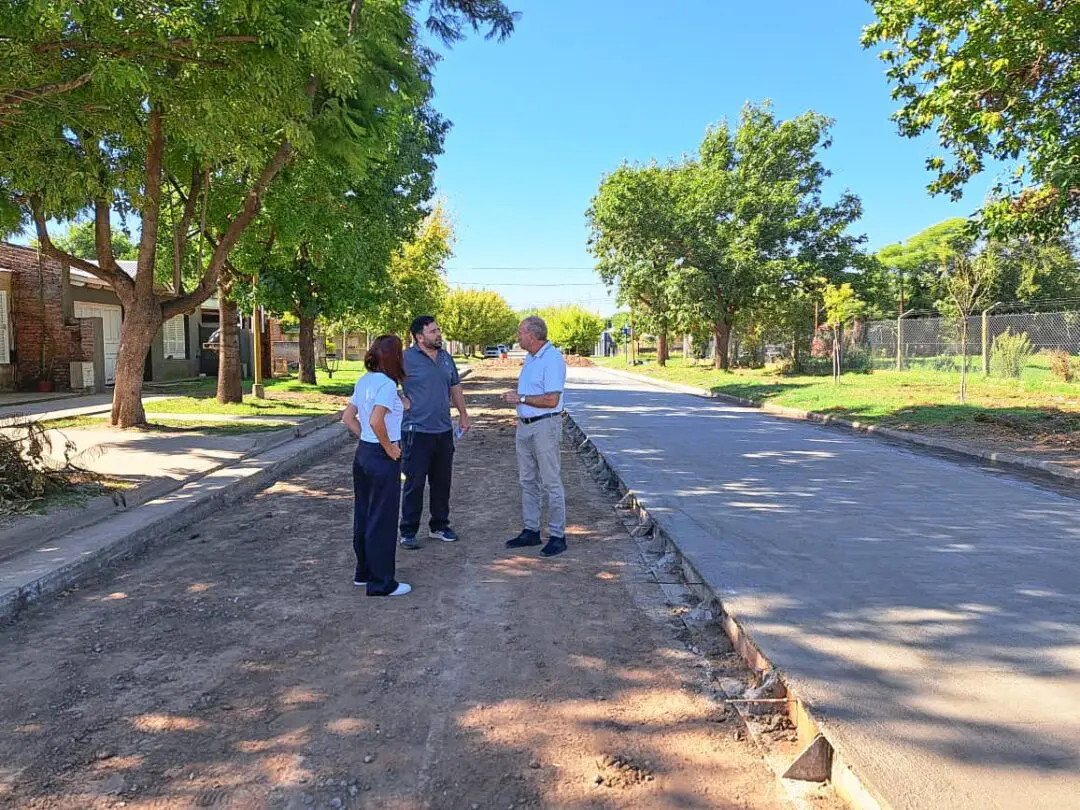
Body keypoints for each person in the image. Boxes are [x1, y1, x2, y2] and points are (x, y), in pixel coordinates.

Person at [343, 335, 411, 597]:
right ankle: (382, 582)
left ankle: (364, 572)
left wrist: (368, 441)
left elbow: (348, 417)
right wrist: (387, 447)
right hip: (382, 456)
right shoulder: (385, 384)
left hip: (364, 454)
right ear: (394, 357)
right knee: (382, 519)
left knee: (364, 513)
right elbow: (375, 420)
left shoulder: (365, 381)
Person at [398, 315, 471, 550]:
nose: (438, 334)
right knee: (415, 482)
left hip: (443, 430)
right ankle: (408, 531)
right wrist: (399, 399)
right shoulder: (405, 359)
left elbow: (455, 386)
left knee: (442, 482)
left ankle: (439, 526)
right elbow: (385, 382)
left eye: (438, 330)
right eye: (432, 331)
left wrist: (463, 413)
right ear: (419, 337)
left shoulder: (446, 357)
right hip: (415, 431)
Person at [501, 316, 568, 557]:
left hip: (545, 426)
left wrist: (519, 399)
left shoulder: (552, 358)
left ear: (533, 335)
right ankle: (531, 530)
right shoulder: (531, 358)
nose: (517, 337)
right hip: (525, 425)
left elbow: (552, 399)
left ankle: (558, 535)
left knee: (550, 480)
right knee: (527, 479)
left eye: (520, 332)